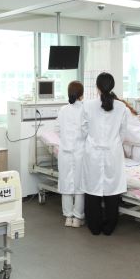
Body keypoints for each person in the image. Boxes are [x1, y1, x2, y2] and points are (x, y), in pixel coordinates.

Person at [81, 73, 128, 236]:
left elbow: (83, 130)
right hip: (113, 152)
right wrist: (113, 143)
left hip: (93, 152)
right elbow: (123, 132)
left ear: (97, 87)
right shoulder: (121, 107)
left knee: (92, 189)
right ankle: (109, 227)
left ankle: (94, 227)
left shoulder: (87, 105)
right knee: (112, 190)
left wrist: (93, 140)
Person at [57, 81, 85, 228]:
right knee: (80, 185)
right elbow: (87, 131)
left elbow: (57, 129)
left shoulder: (63, 110)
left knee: (66, 184)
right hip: (80, 152)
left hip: (65, 152)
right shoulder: (85, 109)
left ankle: (68, 217)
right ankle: (77, 218)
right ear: (82, 94)